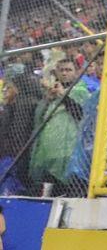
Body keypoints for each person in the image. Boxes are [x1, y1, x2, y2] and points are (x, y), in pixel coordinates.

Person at [28, 59, 89, 194]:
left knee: (68, 191)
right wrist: (48, 100)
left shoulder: (80, 90)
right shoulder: (52, 94)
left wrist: (63, 95)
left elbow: (81, 115)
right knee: (49, 193)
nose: (64, 73)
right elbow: (38, 118)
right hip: (48, 152)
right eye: (61, 70)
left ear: (76, 73)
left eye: (68, 70)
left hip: (68, 153)